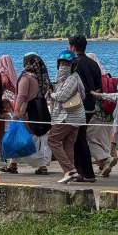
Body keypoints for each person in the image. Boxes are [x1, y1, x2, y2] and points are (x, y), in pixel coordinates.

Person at [5, 53, 52, 175]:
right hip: (38, 111)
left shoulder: (26, 78)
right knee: (26, 136)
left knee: (25, 137)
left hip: (26, 112)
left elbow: (21, 96)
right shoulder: (39, 77)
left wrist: (16, 111)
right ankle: (13, 164)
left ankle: (41, 166)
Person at [47, 50, 86, 184]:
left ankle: (70, 170)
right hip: (75, 117)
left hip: (68, 117)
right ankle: (70, 173)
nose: (63, 66)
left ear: (73, 65)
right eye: (62, 63)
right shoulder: (70, 78)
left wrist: (51, 94)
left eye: (67, 64)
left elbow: (62, 96)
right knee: (68, 144)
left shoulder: (71, 79)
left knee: (52, 139)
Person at [68, 35, 99, 181]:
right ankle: (80, 171)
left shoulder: (73, 63)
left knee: (78, 138)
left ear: (73, 47)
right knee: (80, 136)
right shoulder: (93, 63)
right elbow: (98, 86)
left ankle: (85, 173)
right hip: (90, 104)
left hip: (77, 104)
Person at [83, 51, 114, 175]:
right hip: (109, 111)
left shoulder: (90, 77)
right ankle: (103, 167)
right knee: (104, 139)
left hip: (96, 112)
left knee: (87, 137)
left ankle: (104, 158)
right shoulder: (106, 76)